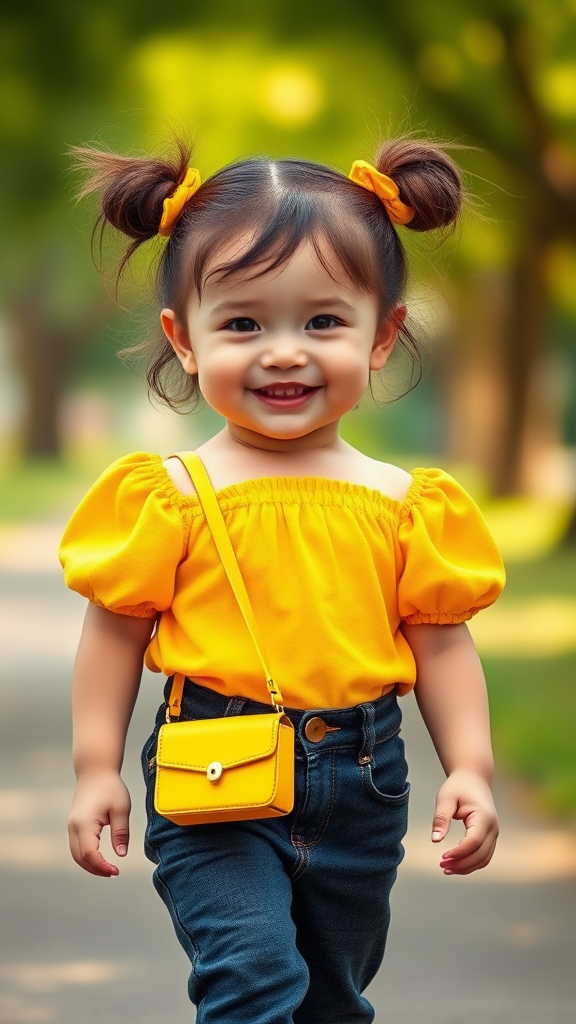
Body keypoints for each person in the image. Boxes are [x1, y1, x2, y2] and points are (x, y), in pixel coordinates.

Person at [60, 136, 505, 1024]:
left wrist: (474, 768)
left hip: (363, 777)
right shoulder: (171, 496)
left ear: (383, 335)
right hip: (213, 772)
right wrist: (94, 769)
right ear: (183, 340)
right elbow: (115, 633)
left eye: (323, 322)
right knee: (253, 982)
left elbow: (441, 643)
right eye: (244, 323)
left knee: (331, 999)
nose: (285, 353)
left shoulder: (403, 503)